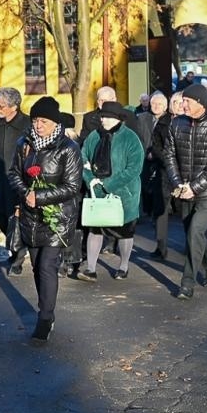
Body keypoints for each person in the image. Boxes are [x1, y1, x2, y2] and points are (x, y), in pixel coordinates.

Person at [7, 96, 82, 341]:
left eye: (44, 121)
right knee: (38, 266)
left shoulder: (68, 149)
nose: (38, 125)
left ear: (55, 123)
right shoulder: (24, 143)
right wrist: (26, 193)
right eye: (36, 120)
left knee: (48, 265)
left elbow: (72, 187)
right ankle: (45, 308)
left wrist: (40, 196)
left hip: (57, 217)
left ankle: (45, 317)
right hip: (30, 216)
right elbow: (14, 174)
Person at [163, 84, 207, 299]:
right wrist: (178, 184)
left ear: (200, 103)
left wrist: (195, 187)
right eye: (182, 101)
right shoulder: (176, 124)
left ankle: (187, 283)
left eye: (187, 102)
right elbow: (169, 155)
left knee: (195, 231)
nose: (182, 105)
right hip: (183, 189)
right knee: (193, 235)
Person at [79, 100, 144, 281]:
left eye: (108, 117)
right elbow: (83, 159)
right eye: (103, 116)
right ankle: (91, 268)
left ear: (118, 119)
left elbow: (134, 168)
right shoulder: (93, 136)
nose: (104, 120)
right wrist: (91, 179)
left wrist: (109, 184)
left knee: (124, 231)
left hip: (124, 194)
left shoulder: (130, 138)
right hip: (96, 192)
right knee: (95, 229)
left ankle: (123, 266)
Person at [0, 87, 31, 271]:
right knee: (0, 217)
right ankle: (17, 248)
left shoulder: (28, 124)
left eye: (1, 106)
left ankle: (17, 254)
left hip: (21, 180)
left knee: (17, 218)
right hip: (1, 181)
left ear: (14, 107)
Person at [140, 92, 172, 260]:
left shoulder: (170, 121)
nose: (156, 106)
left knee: (164, 208)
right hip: (148, 164)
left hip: (165, 167)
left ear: (166, 106)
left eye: (160, 104)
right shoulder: (142, 118)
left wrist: (157, 154)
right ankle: (161, 246)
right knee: (157, 208)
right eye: (153, 104)